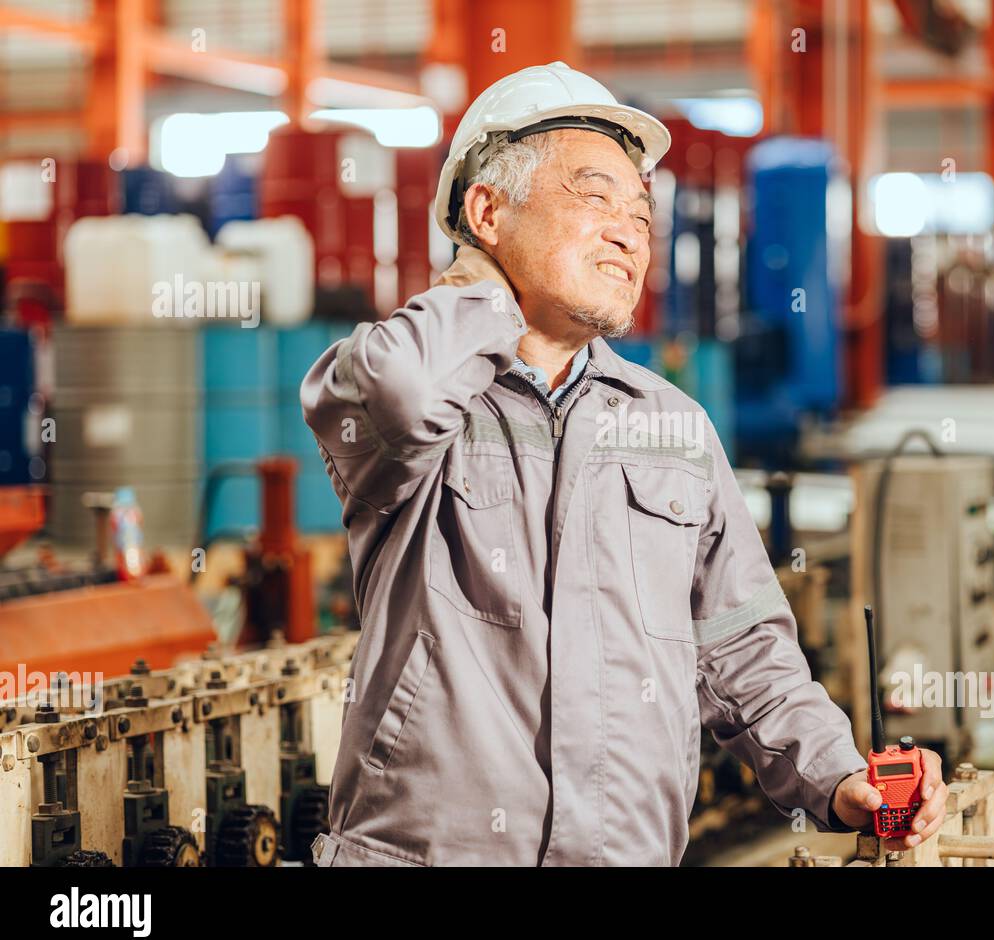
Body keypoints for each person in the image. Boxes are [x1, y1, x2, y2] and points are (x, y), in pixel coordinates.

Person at [302, 61, 947, 866]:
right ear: (488, 208)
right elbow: (401, 389)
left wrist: (837, 774)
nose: (629, 232)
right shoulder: (410, 395)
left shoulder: (671, 424)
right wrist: (484, 281)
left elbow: (743, 646)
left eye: (642, 212)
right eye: (595, 197)